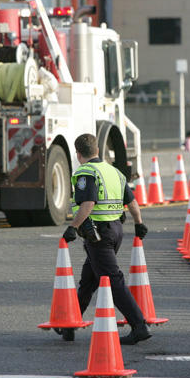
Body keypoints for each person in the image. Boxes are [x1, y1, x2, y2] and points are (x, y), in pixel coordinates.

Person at [60, 133, 151, 345]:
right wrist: (139, 223)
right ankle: (69, 325)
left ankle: (139, 326)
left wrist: (73, 227)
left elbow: (88, 203)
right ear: (98, 151)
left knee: (113, 280)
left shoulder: (86, 172)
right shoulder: (114, 172)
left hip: (98, 234)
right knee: (89, 280)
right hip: (116, 231)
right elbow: (132, 202)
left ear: (78, 153)